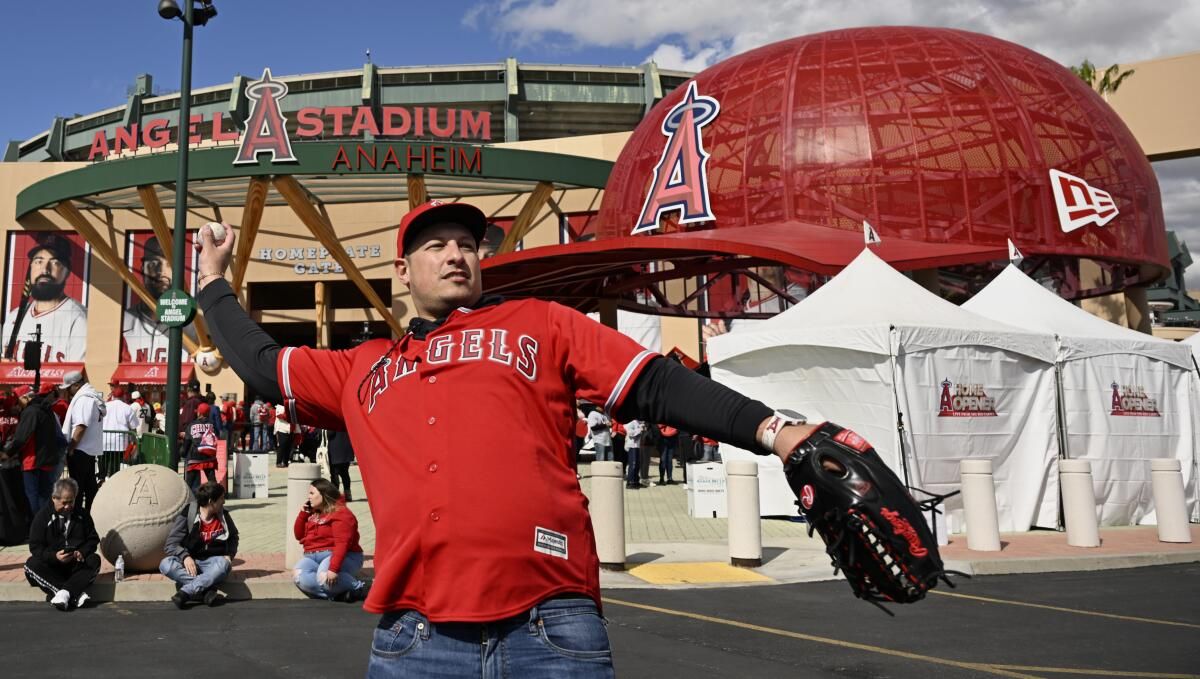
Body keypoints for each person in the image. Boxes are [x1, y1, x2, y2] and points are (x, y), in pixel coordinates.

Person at [194, 200, 820, 677]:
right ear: (402, 270)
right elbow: (259, 361)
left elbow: (654, 383)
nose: (456, 254)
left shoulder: (540, 323)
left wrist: (775, 430)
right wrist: (212, 281)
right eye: (435, 245)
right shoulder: (362, 367)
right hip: (416, 636)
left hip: (549, 624)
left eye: (467, 244)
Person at [2, 234, 87, 363]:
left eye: (55, 263)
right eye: (38, 261)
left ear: (67, 272)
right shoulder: (14, 317)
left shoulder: (79, 320)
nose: (45, 270)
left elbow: (79, 380)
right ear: (30, 268)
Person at [24, 478, 100, 611]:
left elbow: (93, 539)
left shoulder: (82, 515)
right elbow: (35, 548)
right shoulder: (42, 517)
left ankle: (63, 593)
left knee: (94, 560)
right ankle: (72, 594)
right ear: (54, 498)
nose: (68, 506)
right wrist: (54, 557)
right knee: (31, 564)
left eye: (71, 502)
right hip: (53, 567)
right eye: (64, 502)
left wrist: (81, 552)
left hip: (75, 565)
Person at [160, 481, 238, 608]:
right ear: (211, 501)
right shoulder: (189, 513)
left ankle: (186, 592)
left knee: (224, 564)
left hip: (213, 563)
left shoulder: (224, 515)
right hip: (190, 564)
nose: (224, 502)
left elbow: (234, 537)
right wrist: (185, 556)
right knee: (165, 565)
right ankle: (207, 590)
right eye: (221, 499)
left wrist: (230, 554)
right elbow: (170, 544)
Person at [120, 235, 194, 363]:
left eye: (169, 264)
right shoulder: (124, 321)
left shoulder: (196, 325)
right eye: (154, 264)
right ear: (143, 267)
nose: (161, 272)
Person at [292, 478, 368, 602]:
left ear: (324, 495)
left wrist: (333, 569)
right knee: (298, 575)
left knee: (324, 577)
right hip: (312, 556)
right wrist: (303, 514)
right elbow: (299, 535)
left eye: (312, 493)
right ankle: (336, 595)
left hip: (343, 555)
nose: (308, 496)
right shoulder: (313, 512)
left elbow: (342, 544)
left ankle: (358, 588)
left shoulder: (341, 513)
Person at [1, 385, 60, 514]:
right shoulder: (47, 409)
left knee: (31, 496)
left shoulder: (31, 411)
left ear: (25, 397)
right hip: (47, 460)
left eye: (18, 400)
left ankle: (35, 526)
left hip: (32, 460)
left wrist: (7, 453)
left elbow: (22, 437)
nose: (17, 404)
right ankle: (45, 524)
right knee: (44, 495)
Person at [61, 370, 105, 515]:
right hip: (88, 450)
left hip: (80, 450)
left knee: (78, 489)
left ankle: (80, 519)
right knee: (89, 487)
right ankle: (88, 518)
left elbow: (81, 426)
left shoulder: (84, 399)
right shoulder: (91, 397)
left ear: (76, 385)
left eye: (68, 388)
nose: (68, 391)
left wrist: (71, 448)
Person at [100, 386, 138, 482]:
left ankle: (101, 480)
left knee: (102, 462)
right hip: (119, 442)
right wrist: (134, 440)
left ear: (112, 395)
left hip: (103, 440)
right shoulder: (127, 408)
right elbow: (133, 426)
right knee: (115, 465)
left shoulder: (105, 405)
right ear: (123, 396)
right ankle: (113, 483)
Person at [181, 403, 219, 494]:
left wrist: (182, 453)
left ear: (199, 413)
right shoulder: (212, 424)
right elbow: (217, 435)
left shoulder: (192, 425)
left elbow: (187, 442)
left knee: (189, 483)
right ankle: (215, 500)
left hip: (195, 456)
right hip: (209, 455)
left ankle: (186, 502)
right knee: (212, 481)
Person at [327, 430, 355, 501]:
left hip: (335, 450)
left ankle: (335, 495)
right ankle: (347, 494)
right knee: (345, 473)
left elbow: (330, 433)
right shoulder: (345, 420)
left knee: (334, 474)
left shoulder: (333, 420)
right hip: (346, 449)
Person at [623, 419, 645, 489]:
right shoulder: (631, 422)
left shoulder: (640, 422)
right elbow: (630, 433)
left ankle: (636, 481)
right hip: (632, 445)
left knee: (637, 464)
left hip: (638, 446)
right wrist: (640, 430)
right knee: (633, 464)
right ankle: (630, 482)